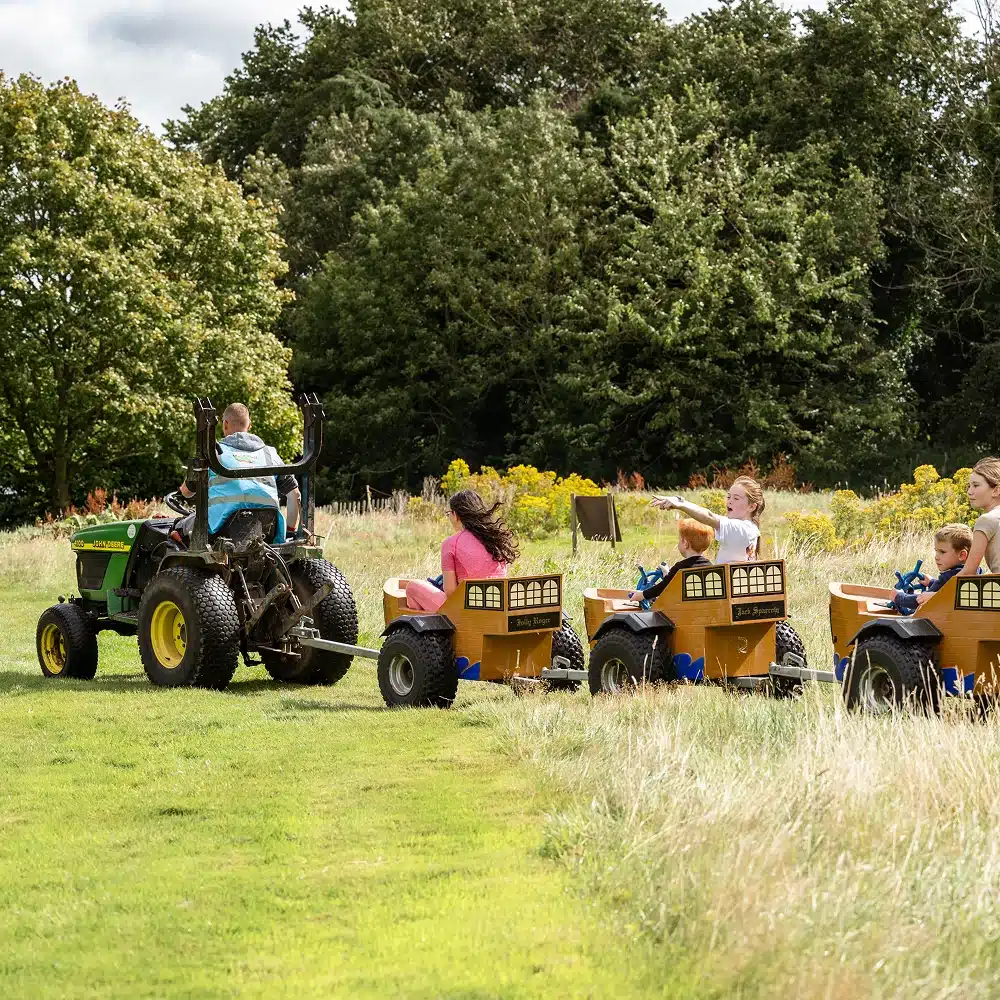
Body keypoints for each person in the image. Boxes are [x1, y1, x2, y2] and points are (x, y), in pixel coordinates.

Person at [173, 403, 301, 542]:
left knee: (177, 529)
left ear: (225, 425)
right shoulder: (270, 454)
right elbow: (295, 495)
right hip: (267, 531)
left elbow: (187, 493)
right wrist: (289, 532)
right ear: (249, 426)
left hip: (219, 531)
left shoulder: (212, 453)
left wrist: (183, 489)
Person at [404, 489, 518, 611]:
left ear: (456, 515)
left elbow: (450, 592)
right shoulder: (497, 540)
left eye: (449, 513)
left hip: (465, 611)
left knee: (412, 587)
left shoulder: (451, 543)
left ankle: (422, 630)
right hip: (497, 605)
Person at [650, 475, 764, 563]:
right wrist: (680, 502)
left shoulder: (740, 528)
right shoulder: (749, 528)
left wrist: (680, 504)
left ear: (751, 507)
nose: (730, 501)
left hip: (730, 592)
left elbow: (709, 517)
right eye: (729, 496)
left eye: (736, 498)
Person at [892, 523, 972, 615]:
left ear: (962, 555)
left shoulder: (949, 577)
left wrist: (899, 597)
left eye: (942, 552)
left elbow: (920, 600)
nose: (936, 557)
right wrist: (931, 582)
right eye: (936, 551)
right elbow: (944, 592)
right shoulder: (974, 572)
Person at [627, 518, 714, 602]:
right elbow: (672, 584)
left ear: (685, 544)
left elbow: (664, 587)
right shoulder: (710, 566)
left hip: (681, 610)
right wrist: (667, 573)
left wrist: (642, 595)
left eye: (679, 540)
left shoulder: (680, 567)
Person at [959, 457, 1000, 576]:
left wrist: (936, 594)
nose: (969, 492)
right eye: (969, 486)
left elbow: (968, 572)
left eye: (976, 486)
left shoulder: (987, 520)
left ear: (996, 490)